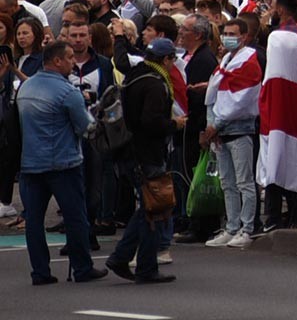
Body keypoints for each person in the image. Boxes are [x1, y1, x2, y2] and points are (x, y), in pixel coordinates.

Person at [15, 38, 108, 285]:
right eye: (68, 58)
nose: (72, 62)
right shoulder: (67, 91)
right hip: (64, 163)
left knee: (33, 221)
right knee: (76, 216)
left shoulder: (26, 87)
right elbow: (88, 129)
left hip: (30, 162)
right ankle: (82, 267)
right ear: (57, 61)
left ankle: (40, 272)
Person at [104, 37, 181, 286]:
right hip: (146, 154)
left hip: (129, 151)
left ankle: (124, 257)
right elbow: (151, 122)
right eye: (172, 60)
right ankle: (143, 265)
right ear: (166, 59)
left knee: (148, 208)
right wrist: (175, 124)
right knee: (154, 209)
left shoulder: (135, 75)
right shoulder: (155, 84)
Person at [201, 17, 261, 248]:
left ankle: (247, 228)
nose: (227, 37)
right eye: (225, 32)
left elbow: (242, 99)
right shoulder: (226, 60)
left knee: (244, 182)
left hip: (239, 129)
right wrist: (212, 123)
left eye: (233, 33)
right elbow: (216, 92)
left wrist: (216, 124)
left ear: (244, 37)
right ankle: (231, 226)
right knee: (227, 182)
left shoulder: (249, 62)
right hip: (219, 128)